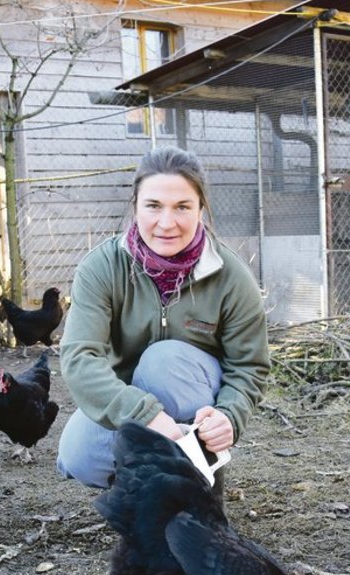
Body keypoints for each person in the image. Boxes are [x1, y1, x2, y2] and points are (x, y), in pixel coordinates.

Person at [56, 146, 270, 489]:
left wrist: (229, 416)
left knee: (163, 361)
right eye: (153, 206)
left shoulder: (231, 276)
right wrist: (147, 416)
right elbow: (80, 359)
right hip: (129, 397)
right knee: (79, 456)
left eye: (182, 207)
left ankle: (199, 464)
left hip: (194, 391)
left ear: (201, 209)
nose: (167, 223)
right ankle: (165, 476)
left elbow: (249, 367)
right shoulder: (101, 268)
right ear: (136, 206)